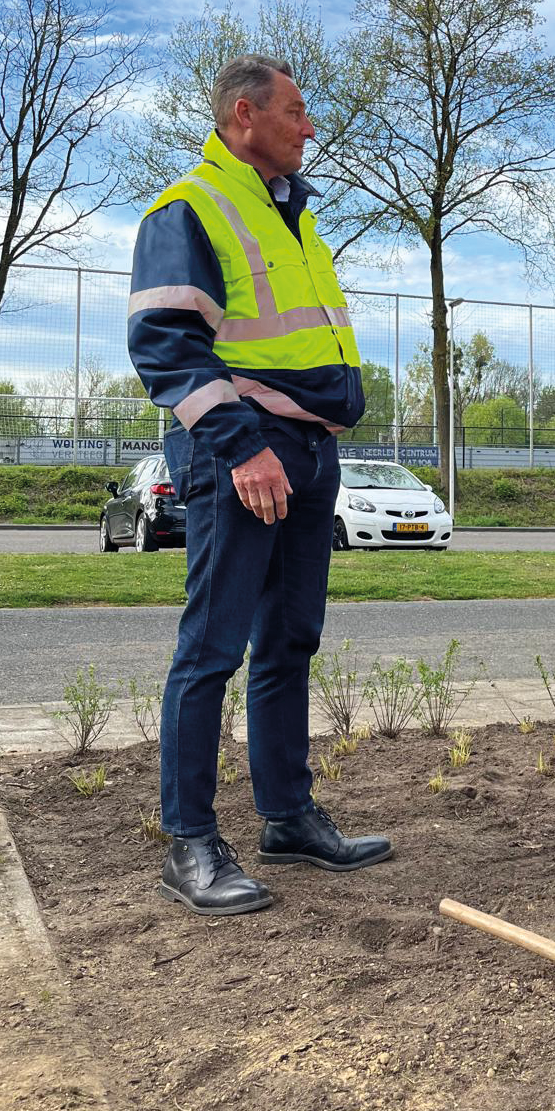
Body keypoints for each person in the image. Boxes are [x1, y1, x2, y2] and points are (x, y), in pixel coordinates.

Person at [128, 54, 392, 916]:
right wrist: (244, 448)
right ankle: (190, 845)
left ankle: (287, 817)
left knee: (291, 642)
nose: (310, 127)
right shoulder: (189, 209)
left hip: (309, 450)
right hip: (245, 450)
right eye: (297, 112)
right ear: (244, 115)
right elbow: (167, 345)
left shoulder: (292, 218)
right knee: (212, 648)